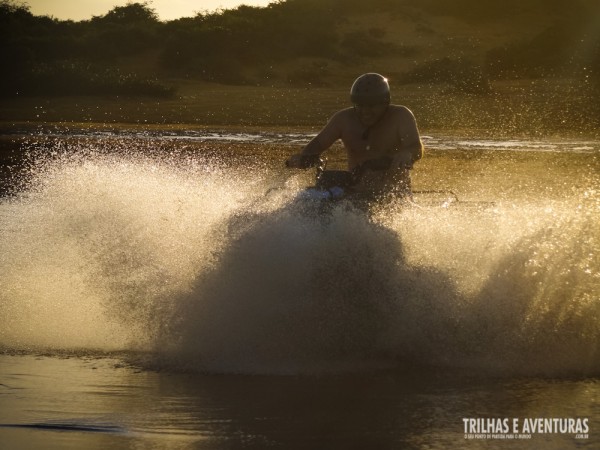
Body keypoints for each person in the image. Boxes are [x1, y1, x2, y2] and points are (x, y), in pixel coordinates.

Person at [286, 73, 423, 198]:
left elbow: (415, 147)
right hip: (354, 191)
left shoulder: (401, 116)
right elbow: (318, 144)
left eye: (371, 106)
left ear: (385, 102)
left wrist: (407, 154)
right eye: (360, 106)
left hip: (391, 195)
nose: (365, 111)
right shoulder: (343, 119)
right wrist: (304, 157)